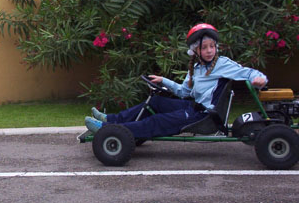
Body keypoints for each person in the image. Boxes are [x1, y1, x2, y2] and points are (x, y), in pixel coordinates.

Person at [84, 23, 268, 139]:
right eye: (204, 47)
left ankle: (108, 129)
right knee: (155, 102)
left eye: (212, 46)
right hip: (192, 108)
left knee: (156, 121)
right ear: (196, 51)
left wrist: (258, 80)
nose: (210, 51)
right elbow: (183, 92)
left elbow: (247, 72)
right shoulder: (195, 69)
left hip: (204, 117)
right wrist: (164, 80)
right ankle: (110, 119)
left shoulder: (221, 64)